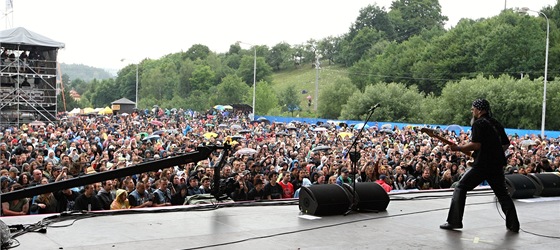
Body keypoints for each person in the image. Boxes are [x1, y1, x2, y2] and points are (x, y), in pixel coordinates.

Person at [440, 99, 519, 233]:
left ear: (480, 110)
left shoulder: (478, 124)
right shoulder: (496, 123)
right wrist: (494, 151)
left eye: (473, 109)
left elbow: (476, 145)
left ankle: (454, 221)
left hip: (483, 164)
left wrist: (458, 147)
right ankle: (513, 225)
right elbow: (506, 144)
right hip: (497, 164)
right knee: (502, 194)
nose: (472, 111)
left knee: (460, 187)